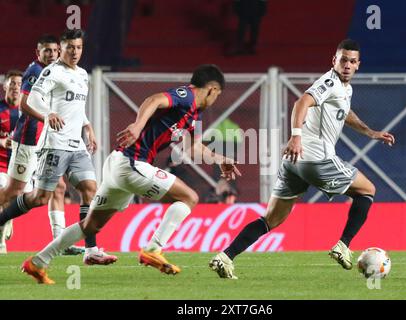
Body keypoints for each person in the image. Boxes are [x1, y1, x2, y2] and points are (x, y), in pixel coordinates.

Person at [20, 64, 240, 285]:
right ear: (212, 89)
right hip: (132, 163)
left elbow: (192, 145)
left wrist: (220, 159)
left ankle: (37, 262)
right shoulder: (186, 96)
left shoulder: (191, 114)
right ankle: (153, 249)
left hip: (119, 166)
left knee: (90, 226)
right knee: (189, 197)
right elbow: (153, 100)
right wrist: (137, 126)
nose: (215, 99)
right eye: (217, 94)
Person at [209, 39, 396, 279]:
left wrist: (370, 132)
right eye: (343, 60)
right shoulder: (329, 81)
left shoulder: (344, 89)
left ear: (358, 64)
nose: (347, 65)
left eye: (351, 61)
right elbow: (301, 102)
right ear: (334, 61)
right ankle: (343, 245)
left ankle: (224, 257)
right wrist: (296, 137)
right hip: (316, 158)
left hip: (293, 163)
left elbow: (343, 112)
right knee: (367, 190)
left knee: (271, 219)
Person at [0, 29, 116, 266]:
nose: (75, 52)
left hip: (76, 146)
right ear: (62, 49)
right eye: (70, 47)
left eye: (79, 47)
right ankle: (2, 218)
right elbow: (30, 100)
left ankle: (91, 250)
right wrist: (47, 114)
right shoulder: (52, 71)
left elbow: (76, 105)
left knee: (90, 190)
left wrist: (88, 128)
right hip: (54, 145)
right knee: (40, 198)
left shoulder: (83, 74)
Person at [0, 34, 83, 256]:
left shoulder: (58, 71)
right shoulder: (35, 71)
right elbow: (24, 106)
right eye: (46, 50)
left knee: (59, 188)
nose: (52, 54)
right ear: (38, 53)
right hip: (27, 140)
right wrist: (47, 117)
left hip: (46, 142)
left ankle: (60, 242)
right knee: (13, 191)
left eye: (55, 50)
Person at [0, 70, 21, 254]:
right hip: (0, 165)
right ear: (5, 86)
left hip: (20, 166)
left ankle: (8, 219)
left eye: (19, 84)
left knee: (13, 200)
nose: (15, 87)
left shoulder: (27, 111)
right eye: (12, 83)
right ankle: (1, 244)